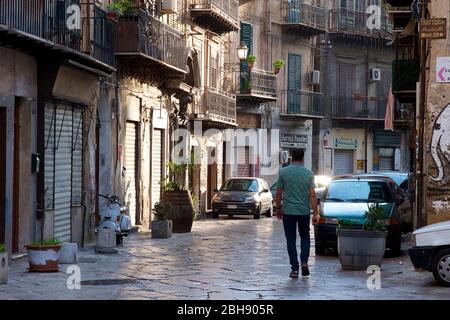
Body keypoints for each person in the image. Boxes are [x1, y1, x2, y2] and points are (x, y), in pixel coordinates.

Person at [275, 149, 320, 278]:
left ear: (291, 157)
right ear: (303, 157)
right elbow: (312, 194)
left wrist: (278, 208)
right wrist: (315, 213)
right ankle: (304, 262)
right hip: (303, 211)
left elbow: (278, 192)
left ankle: (295, 269)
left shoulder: (283, 172)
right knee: (305, 237)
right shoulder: (308, 173)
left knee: (291, 239)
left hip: (288, 211)